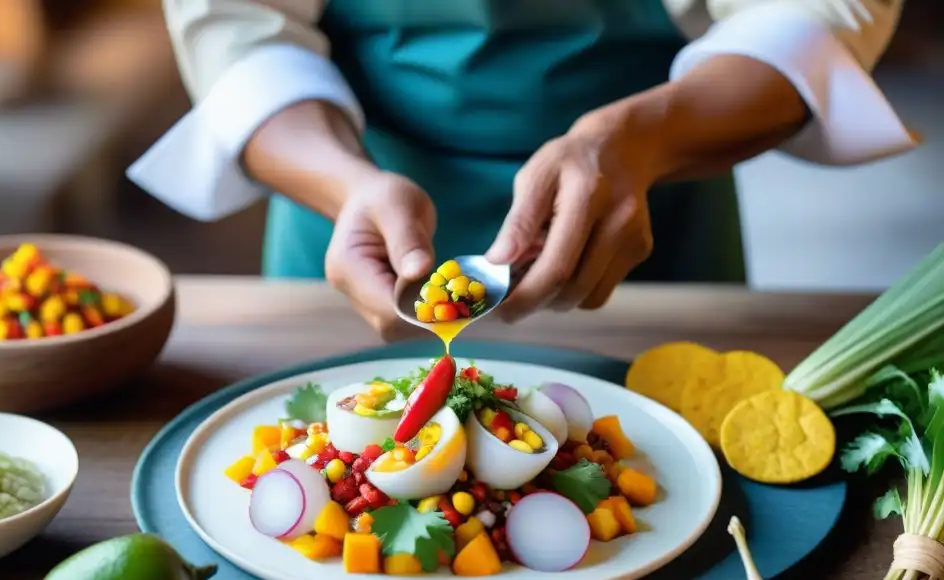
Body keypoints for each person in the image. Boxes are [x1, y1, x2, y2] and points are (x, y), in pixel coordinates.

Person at [129, 0, 915, 337]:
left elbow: (816, 15)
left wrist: (641, 141)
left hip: (655, 197)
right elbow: (237, 29)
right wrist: (346, 183)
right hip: (345, 209)